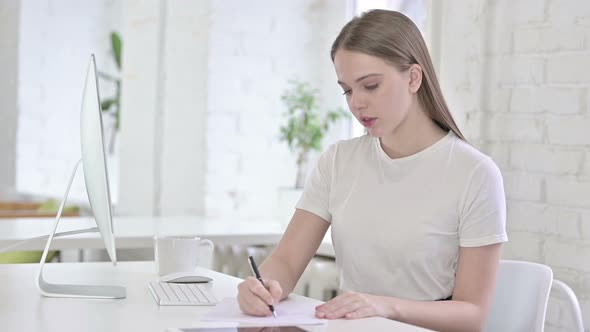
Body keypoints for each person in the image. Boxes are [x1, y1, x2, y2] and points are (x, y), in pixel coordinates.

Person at [237, 9, 507, 332]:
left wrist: (384, 306)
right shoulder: (338, 161)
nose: (356, 103)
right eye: (348, 90)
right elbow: (286, 261)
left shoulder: (474, 174)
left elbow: (472, 315)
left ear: (413, 78)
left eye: (371, 86)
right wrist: (263, 286)